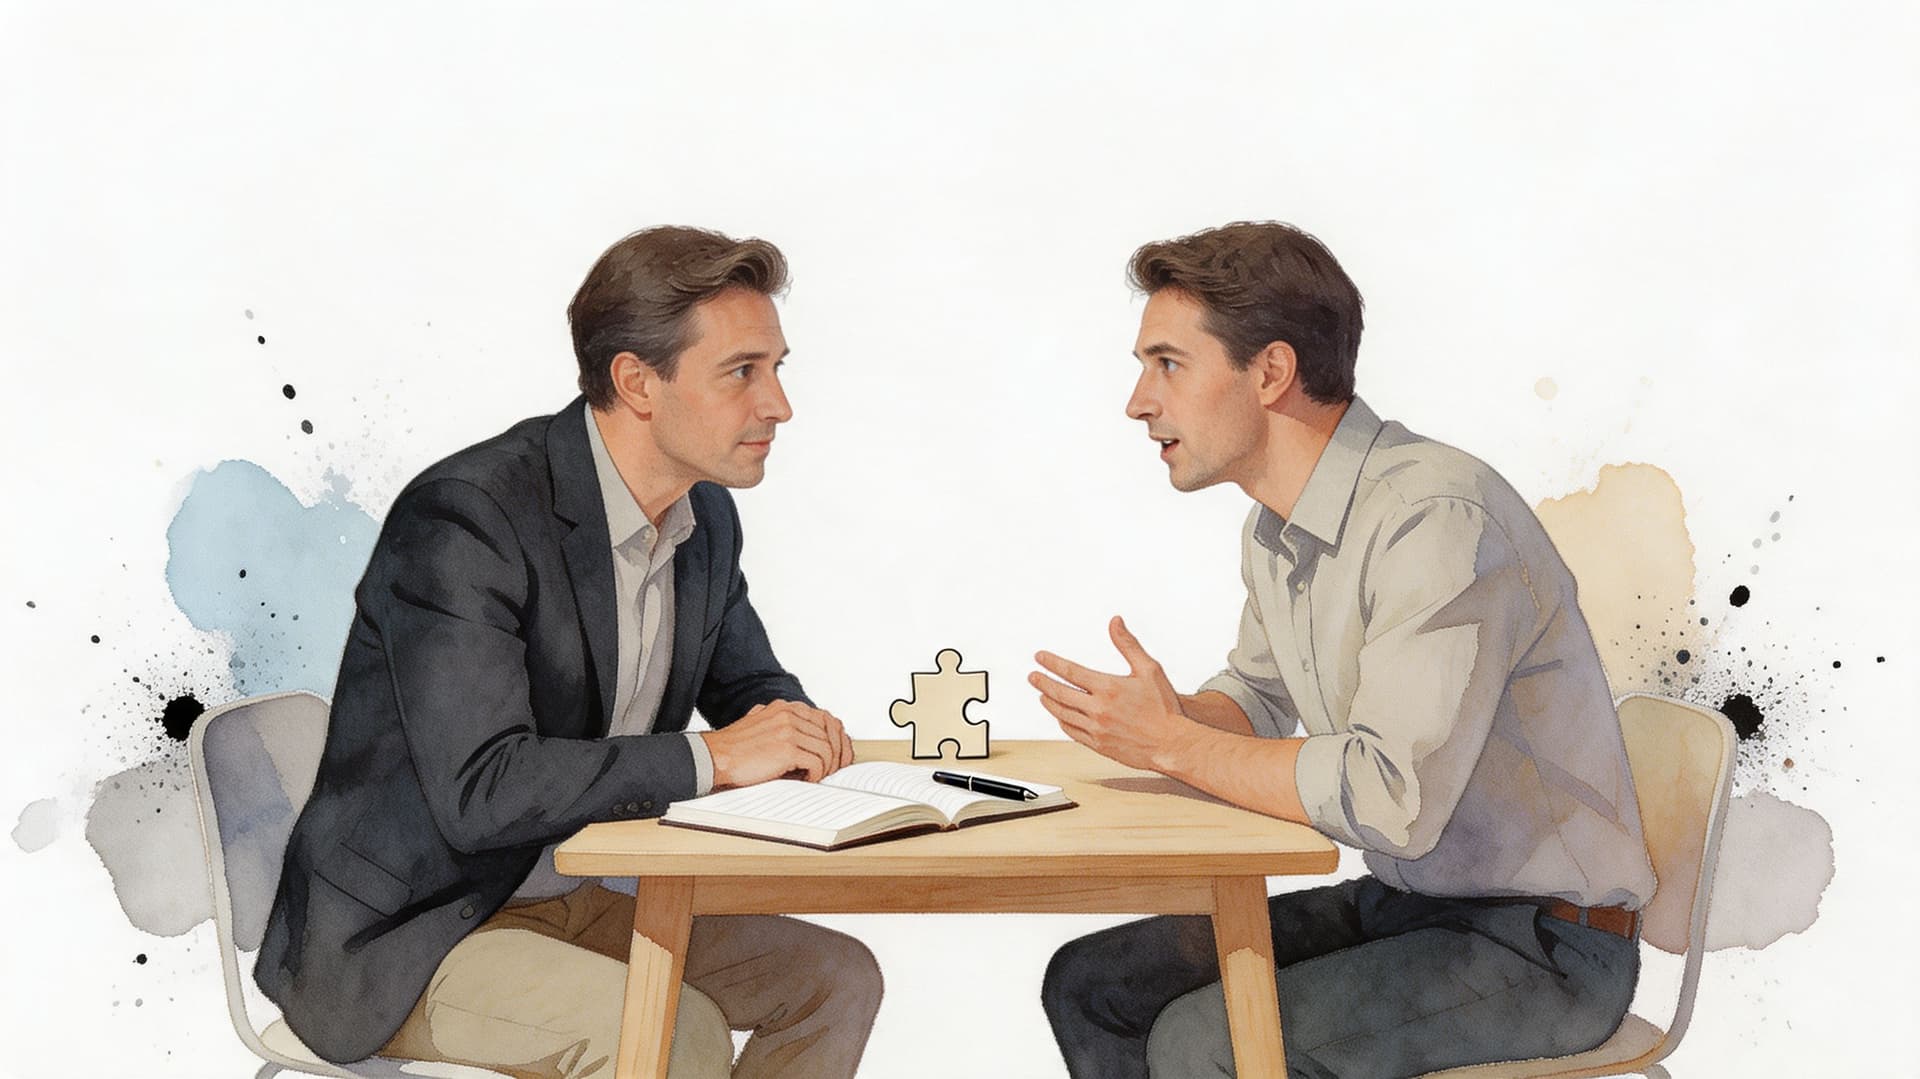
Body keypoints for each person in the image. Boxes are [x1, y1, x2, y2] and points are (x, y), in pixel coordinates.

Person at [1031, 221, 1656, 1078]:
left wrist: (1174, 743)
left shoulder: (1434, 519)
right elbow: (1254, 699)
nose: (1139, 401)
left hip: (1544, 945)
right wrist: (1162, 716)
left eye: (1167, 364)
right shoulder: (1278, 528)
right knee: (1093, 983)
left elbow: (1390, 797)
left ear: (1271, 371)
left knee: (1206, 1044)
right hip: (1413, 905)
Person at [256, 226, 883, 1079]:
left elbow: (753, 693)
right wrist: (714, 757)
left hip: (572, 898)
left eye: (777, 368)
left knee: (837, 979)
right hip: (412, 936)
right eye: (743, 371)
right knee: (673, 1034)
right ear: (637, 381)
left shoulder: (702, 520)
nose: (778, 404)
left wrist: (797, 729)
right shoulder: (467, 519)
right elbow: (484, 791)